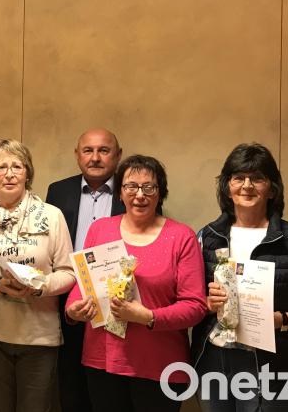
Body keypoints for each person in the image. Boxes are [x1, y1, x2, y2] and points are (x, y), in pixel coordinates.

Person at [192, 143, 288, 411]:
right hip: (215, 360)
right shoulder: (206, 237)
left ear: (272, 188)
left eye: (257, 178)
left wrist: (281, 320)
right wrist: (206, 304)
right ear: (227, 186)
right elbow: (189, 302)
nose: (247, 186)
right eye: (238, 178)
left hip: (276, 363)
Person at [65, 154, 206, 412]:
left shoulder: (181, 236)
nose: (139, 194)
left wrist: (148, 316)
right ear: (120, 192)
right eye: (131, 186)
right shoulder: (100, 230)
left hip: (158, 365)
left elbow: (195, 305)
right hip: (102, 360)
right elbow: (83, 283)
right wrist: (73, 308)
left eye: (148, 187)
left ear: (160, 193)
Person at [0, 139, 76, 412]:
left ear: (28, 172)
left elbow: (69, 272)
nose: (9, 173)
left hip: (39, 337)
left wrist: (41, 286)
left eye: (17, 166)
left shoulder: (52, 215)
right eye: (1, 167)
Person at [45, 128, 124, 412]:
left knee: (108, 390)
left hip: (115, 304)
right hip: (69, 302)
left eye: (103, 150)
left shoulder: (132, 191)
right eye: (88, 150)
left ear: (118, 155)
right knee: (70, 385)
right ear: (77, 155)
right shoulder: (58, 191)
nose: (95, 158)